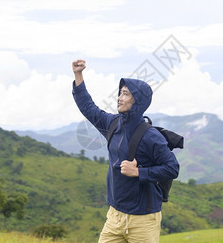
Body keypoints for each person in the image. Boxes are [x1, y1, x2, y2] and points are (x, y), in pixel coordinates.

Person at [72, 59, 179, 243]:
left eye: (126, 94)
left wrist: (138, 172)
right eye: (120, 93)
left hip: (143, 220)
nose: (119, 98)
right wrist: (78, 75)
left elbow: (172, 168)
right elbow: (88, 108)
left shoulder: (151, 136)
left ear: (137, 101)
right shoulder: (112, 124)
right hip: (115, 216)